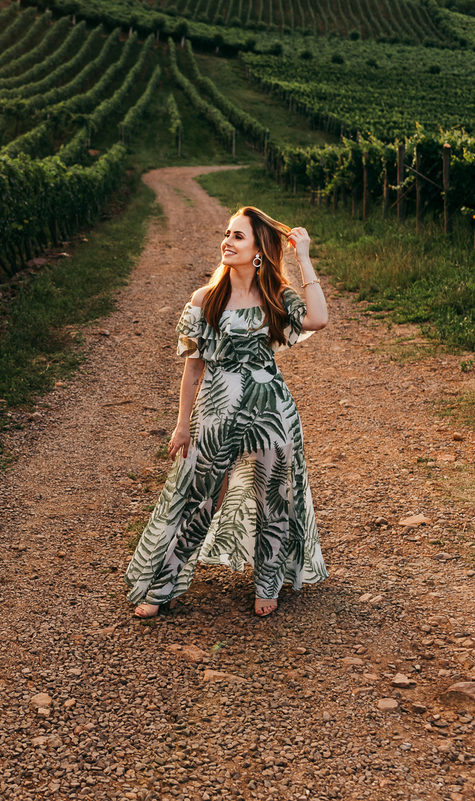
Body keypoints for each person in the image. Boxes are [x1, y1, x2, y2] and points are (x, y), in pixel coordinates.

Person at [124, 206, 329, 618]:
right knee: (195, 499)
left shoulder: (276, 296)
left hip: (272, 412)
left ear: (258, 250)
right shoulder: (206, 299)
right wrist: (182, 425)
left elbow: (318, 319)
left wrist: (303, 257)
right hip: (215, 412)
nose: (227, 242)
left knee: (274, 498)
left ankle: (267, 585)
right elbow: (194, 367)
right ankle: (161, 586)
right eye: (227, 233)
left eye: (238, 236)